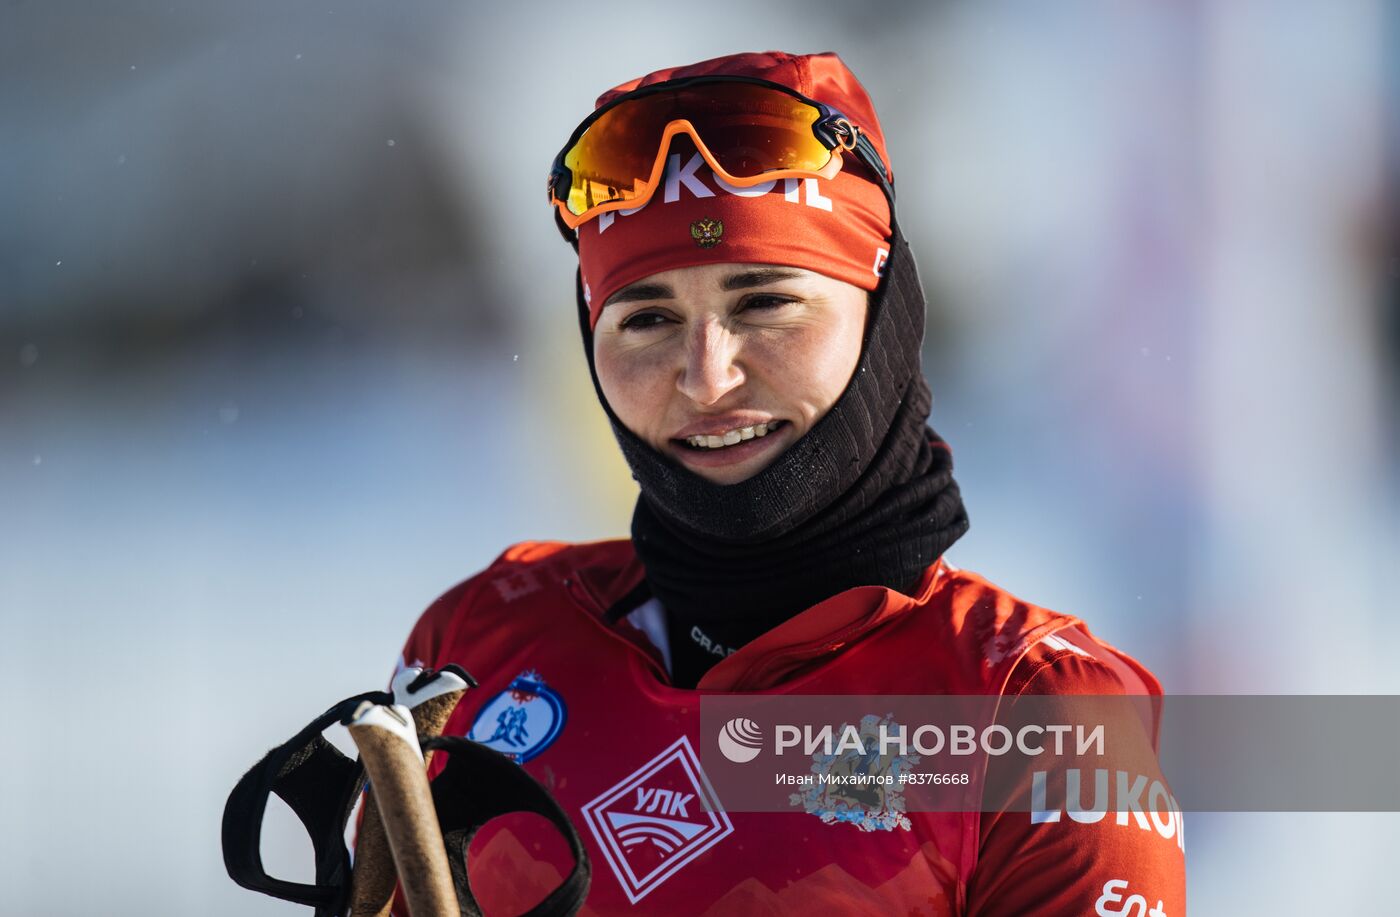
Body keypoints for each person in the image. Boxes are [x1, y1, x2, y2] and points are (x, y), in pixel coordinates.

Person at [392, 51, 1186, 915]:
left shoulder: (1040, 718)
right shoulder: (482, 636)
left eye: (765, 303)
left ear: (885, 311)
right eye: (647, 318)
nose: (706, 376)